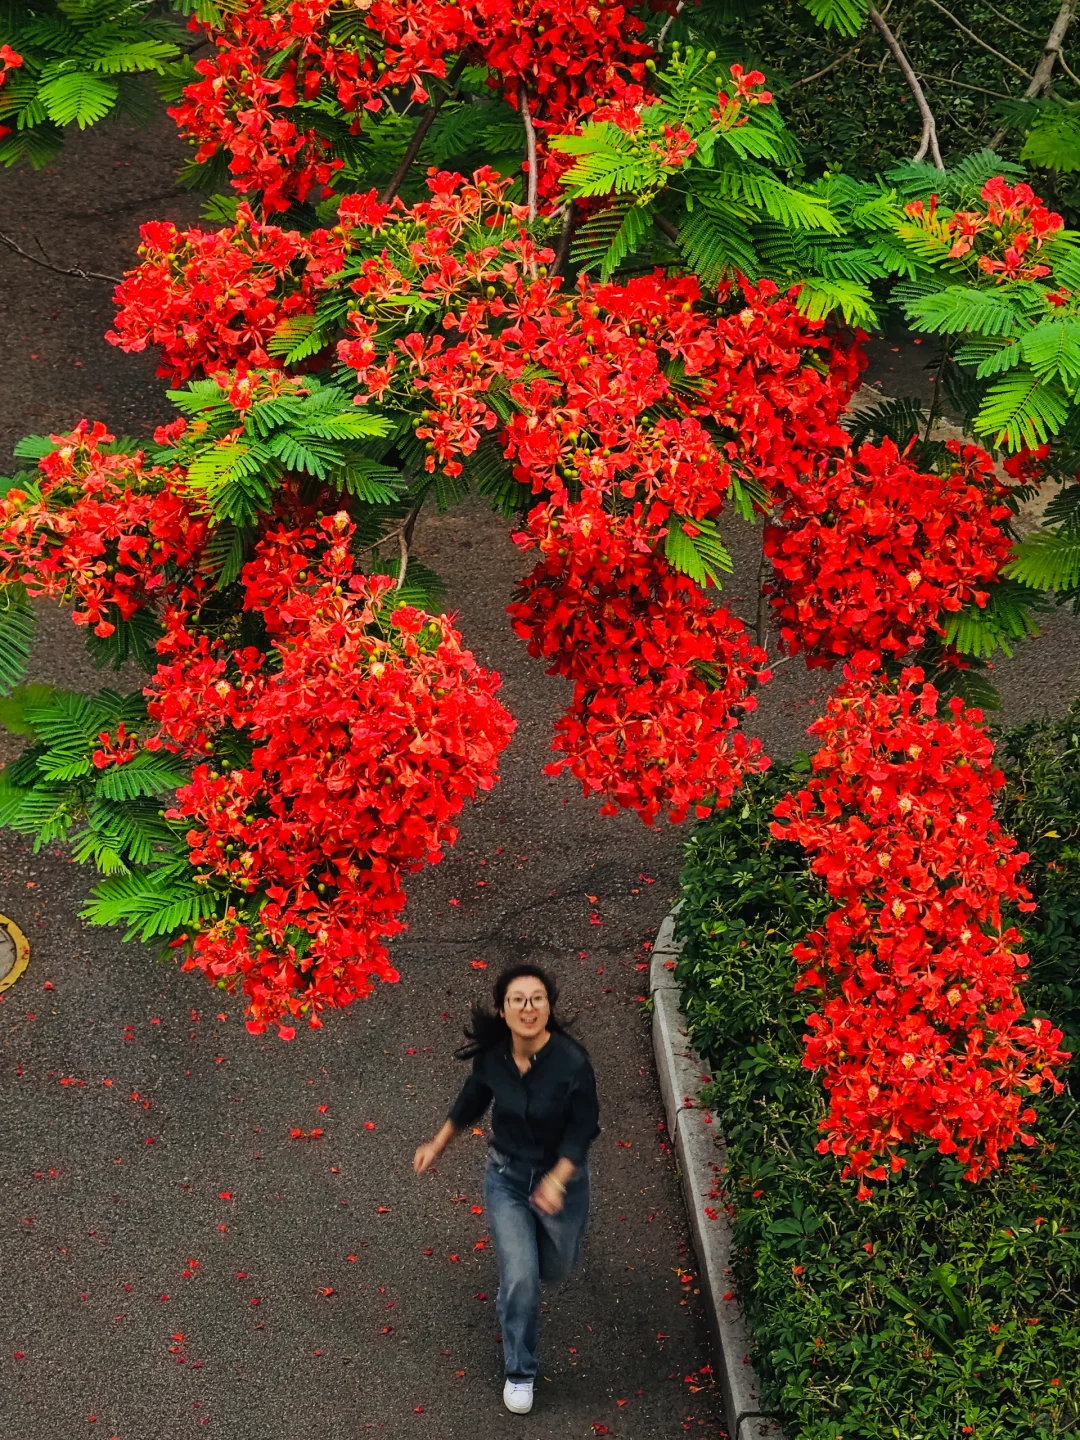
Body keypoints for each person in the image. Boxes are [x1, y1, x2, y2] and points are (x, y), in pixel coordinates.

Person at [413, 963, 600, 1415]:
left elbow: (583, 1128)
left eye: (537, 998)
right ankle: (521, 1370)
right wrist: (438, 1144)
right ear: (503, 1008)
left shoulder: (572, 1064)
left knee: (552, 1269)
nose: (528, 1007)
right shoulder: (493, 1057)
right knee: (521, 1278)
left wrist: (557, 1180)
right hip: (507, 1179)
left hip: (562, 1185)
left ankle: (524, 1278)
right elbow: (473, 1099)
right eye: (518, 999)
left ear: (548, 1006)